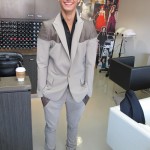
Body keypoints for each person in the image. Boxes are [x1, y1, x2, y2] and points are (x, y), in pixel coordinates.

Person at [36, 0, 98, 150]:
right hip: (52, 89)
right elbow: (41, 63)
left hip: (78, 89)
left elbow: (90, 63)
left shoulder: (89, 27)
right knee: (50, 128)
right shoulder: (47, 27)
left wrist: (88, 91)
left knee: (73, 126)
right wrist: (42, 92)